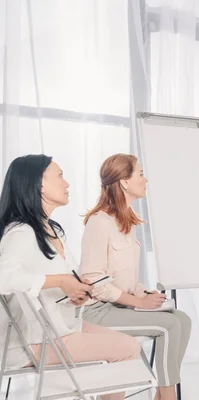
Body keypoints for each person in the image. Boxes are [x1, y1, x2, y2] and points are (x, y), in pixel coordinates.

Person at [0, 155, 140, 400]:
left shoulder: (51, 230)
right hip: (34, 342)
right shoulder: (21, 232)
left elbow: (66, 281)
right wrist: (60, 281)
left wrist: (76, 291)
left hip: (60, 327)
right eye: (60, 176)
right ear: (39, 185)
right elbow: (3, 278)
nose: (67, 184)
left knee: (129, 345)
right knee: (128, 349)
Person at [80, 154, 191, 400]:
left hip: (119, 306)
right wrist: (138, 303)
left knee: (182, 319)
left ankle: (161, 396)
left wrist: (144, 294)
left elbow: (127, 278)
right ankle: (167, 396)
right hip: (97, 312)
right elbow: (93, 279)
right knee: (170, 325)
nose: (145, 179)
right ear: (124, 182)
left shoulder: (126, 222)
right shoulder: (99, 222)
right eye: (140, 174)